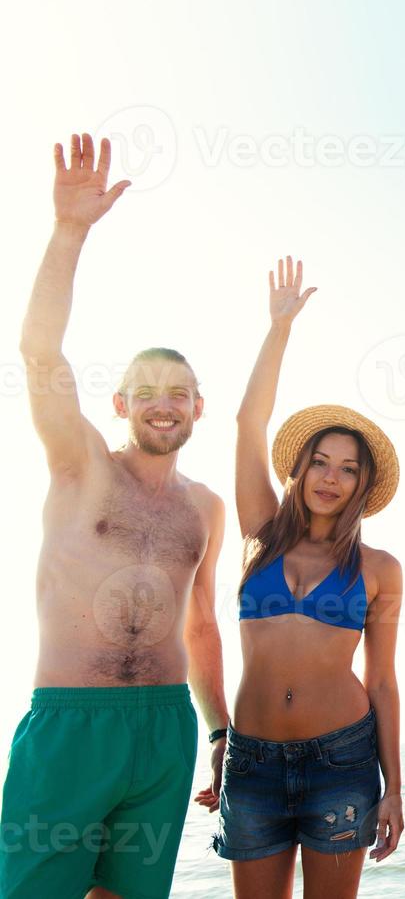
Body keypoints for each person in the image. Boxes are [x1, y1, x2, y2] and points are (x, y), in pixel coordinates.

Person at [1, 133, 230, 899]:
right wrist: (70, 232)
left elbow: (200, 623)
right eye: (146, 390)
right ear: (120, 404)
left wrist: (221, 729)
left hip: (165, 730)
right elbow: (39, 354)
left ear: (199, 407)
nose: (163, 403)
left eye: (179, 391)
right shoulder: (82, 466)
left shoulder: (205, 506)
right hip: (71, 723)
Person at [211, 257, 404, 899]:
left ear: (363, 484)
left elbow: (381, 679)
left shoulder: (379, 569)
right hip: (254, 760)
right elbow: (247, 424)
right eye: (319, 462)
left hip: (341, 759)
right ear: (298, 469)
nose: (330, 476)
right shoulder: (261, 533)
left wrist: (396, 788)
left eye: (348, 468)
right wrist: (279, 328)